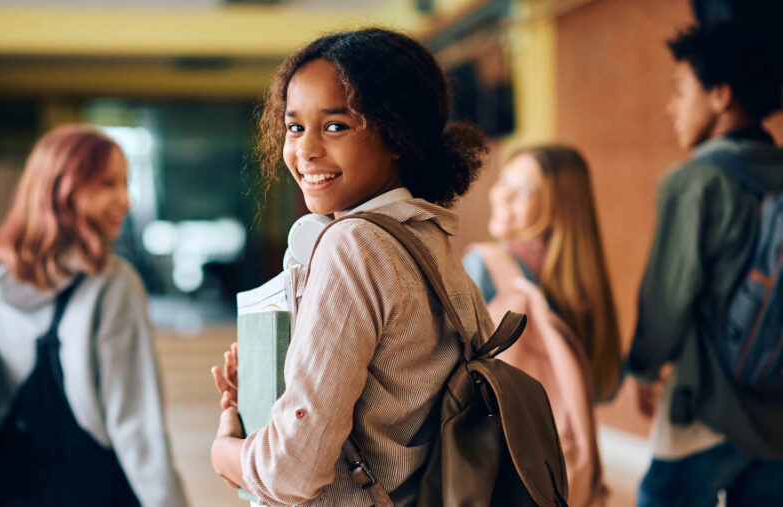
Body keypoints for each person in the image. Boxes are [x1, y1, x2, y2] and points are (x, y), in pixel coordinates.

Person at [209, 28, 494, 506]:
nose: (306, 151)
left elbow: (292, 472)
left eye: (336, 126)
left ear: (396, 132)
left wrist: (226, 450)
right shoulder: (429, 236)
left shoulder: (353, 245)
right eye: (295, 127)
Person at [0, 124, 187, 506]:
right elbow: (138, 431)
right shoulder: (110, 286)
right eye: (107, 184)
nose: (126, 200)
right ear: (64, 191)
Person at [627, 22, 783, 506]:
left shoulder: (695, 180)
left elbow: (667, 296)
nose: (671, 107)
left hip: (710, 407)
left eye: (680, 90)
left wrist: (645, 369)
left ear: (721, 96)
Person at [462, 144, 620, 506]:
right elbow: (605, 386)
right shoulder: (584, 283)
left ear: (556, 206)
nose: (501, 195)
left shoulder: (485, 265)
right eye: (504, 182)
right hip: (562, 467)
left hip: (506, 461)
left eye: (523, 192)